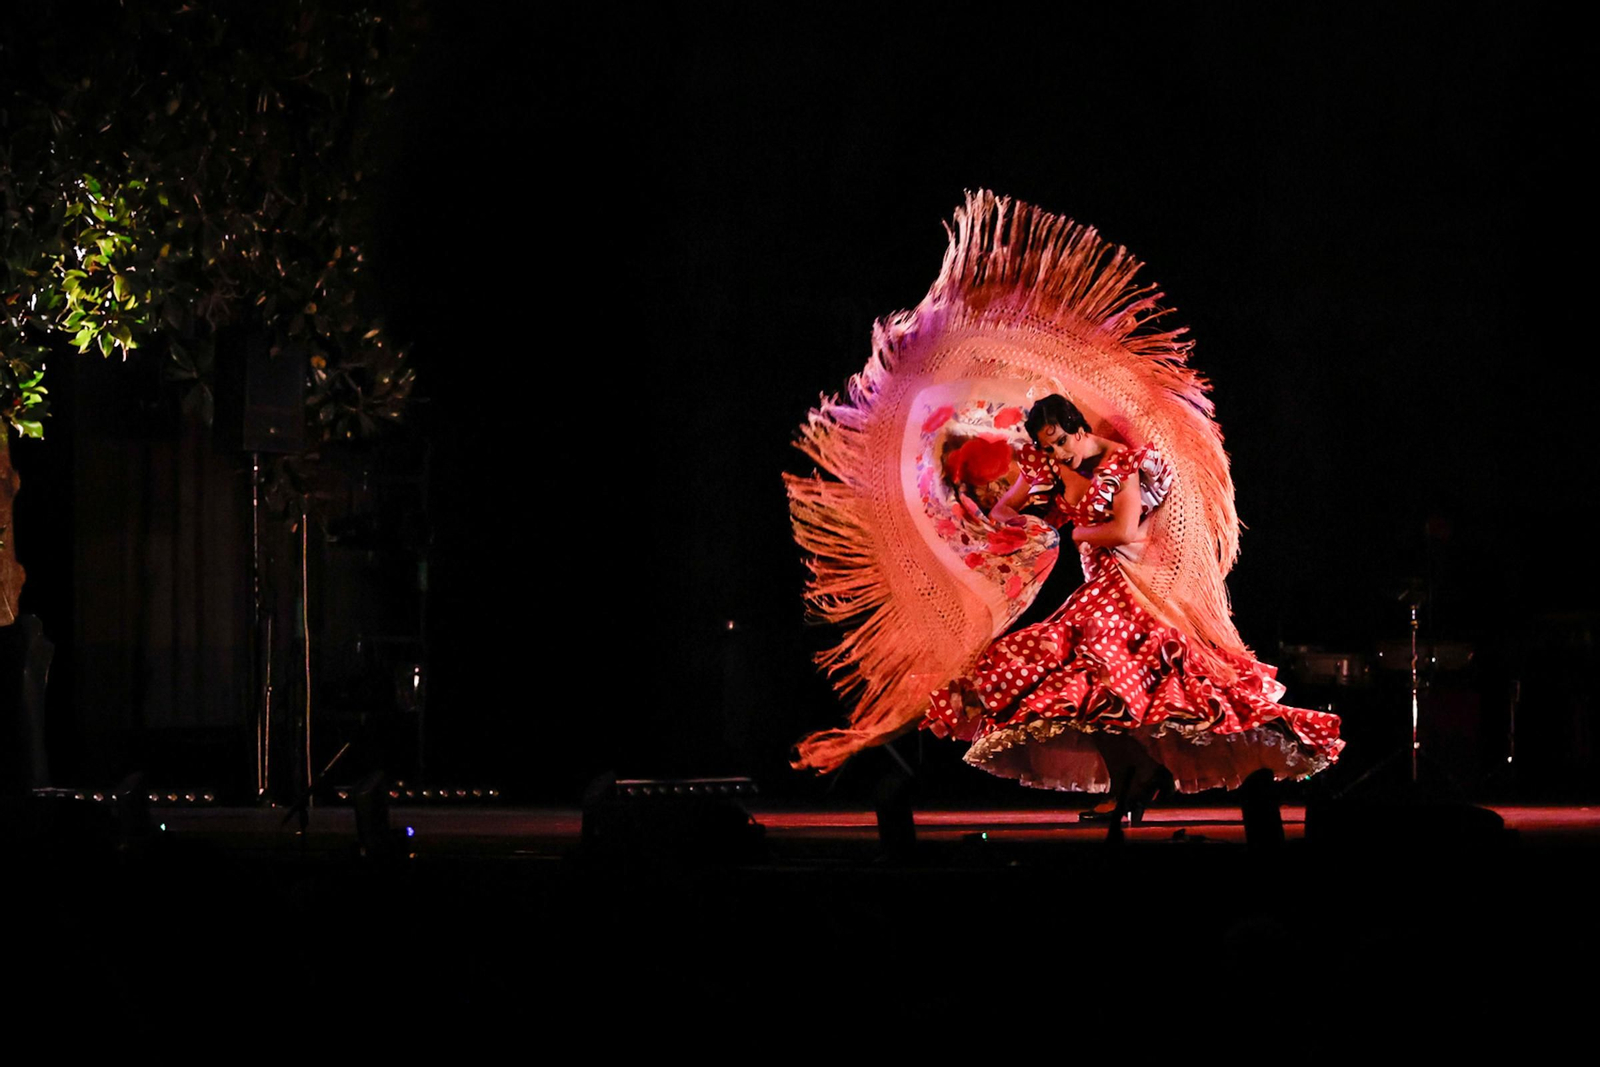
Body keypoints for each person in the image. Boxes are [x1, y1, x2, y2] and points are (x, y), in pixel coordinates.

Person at [784, 189, 1343, 815]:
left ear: (1079, 428)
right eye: (1047, 448)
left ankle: (1142, 774)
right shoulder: (1057, 466)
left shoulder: (1128, 465)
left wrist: (1080, 533)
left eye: (1059, 444)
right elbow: (1015, 507)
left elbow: (1126, 534)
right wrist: (1018, 478)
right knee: (1077, 688)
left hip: (1128, 598)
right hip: (1096, 596)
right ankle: (1136, 777)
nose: (1056, 457)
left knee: (1081, 680)